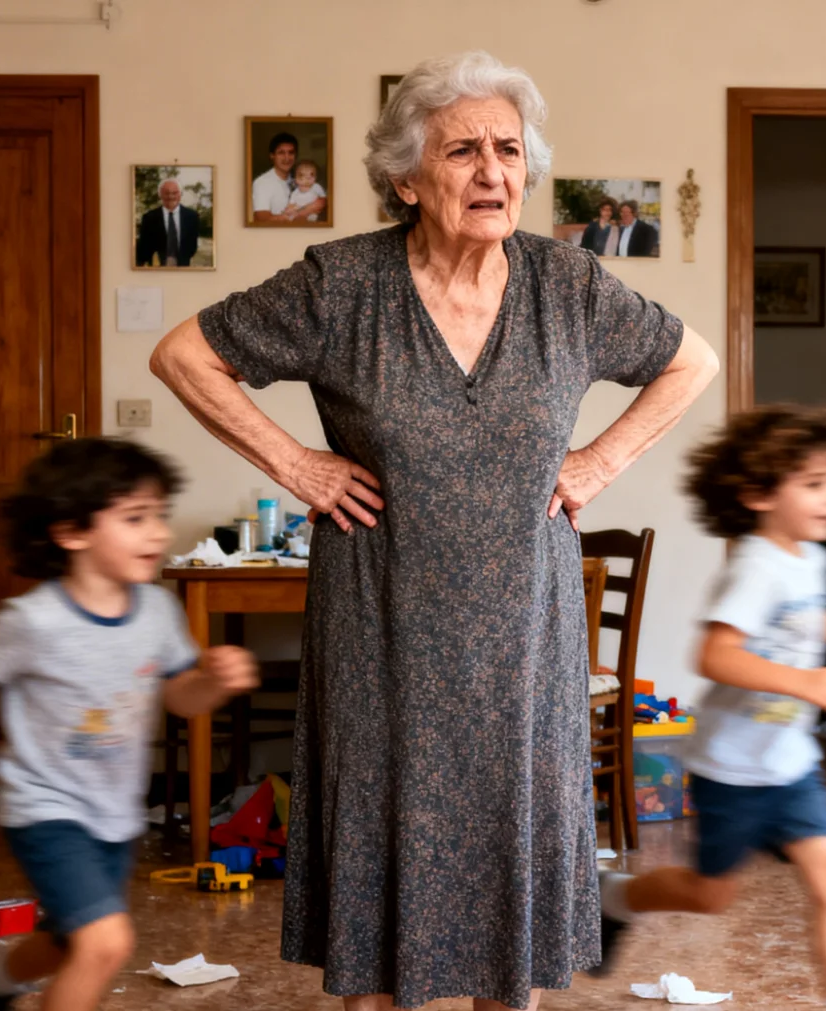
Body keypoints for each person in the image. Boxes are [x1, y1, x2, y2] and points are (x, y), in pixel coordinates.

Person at [149, 50, 718, 1011]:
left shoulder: (568, 286)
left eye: (508, 149)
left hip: (522, 635)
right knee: (381, 866)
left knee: (512, 864)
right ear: (408, 179)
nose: (493, 172)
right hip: (382, 624)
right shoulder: (343, 286)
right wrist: (295, 464)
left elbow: (689, 360)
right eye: (462, 151)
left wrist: (600, 461)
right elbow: (183, 356)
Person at [0, 439, 260, 1011]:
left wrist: (214, 683)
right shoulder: (35, 620)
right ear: (72, 532)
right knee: (105, 943)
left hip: (114, 815)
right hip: (45, 807)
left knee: (70, 940)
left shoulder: (158, 612)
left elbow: (181, 697)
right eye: (135, 518)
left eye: (159, 516)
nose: (156, 534)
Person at [594, 404, 826, 1011]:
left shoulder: (808, 557)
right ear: (759, 493)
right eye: (814, 484)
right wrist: (804, 684)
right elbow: (716, 656)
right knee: (712, 896)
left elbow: (798, 620)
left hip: (790, 766)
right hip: (731, 771)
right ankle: (615, 898)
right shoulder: (755, 565)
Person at [135, 178, 201, 267]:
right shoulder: (149, 218)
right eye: (166, 193)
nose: (170, 196)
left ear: (180, 194)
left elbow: (192, 246)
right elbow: (144, 247)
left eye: (174, 193)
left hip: (183, 269)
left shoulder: (192, 217)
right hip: (156, 270)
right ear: (160, 195)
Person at [252, 131, 300, 222]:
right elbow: (263, 219)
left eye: (291, 153)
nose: (287, 158)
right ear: (272, 156)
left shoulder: (298, 180)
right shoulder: (262, 183)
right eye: (281, 153)